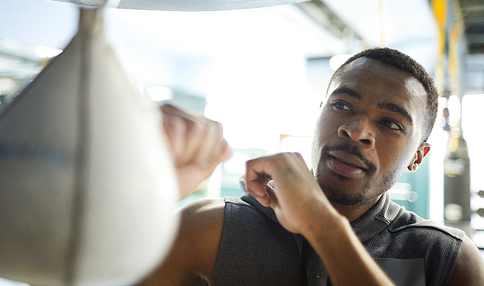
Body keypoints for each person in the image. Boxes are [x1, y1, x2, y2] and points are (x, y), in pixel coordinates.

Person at [144, 48, 484, 285]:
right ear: (319, 111)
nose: (356, 131)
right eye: (341, 104)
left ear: (417, 156)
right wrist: (132, 198)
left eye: (391, 123)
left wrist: (320, 223)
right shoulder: (211, 227)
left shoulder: (446, 256)